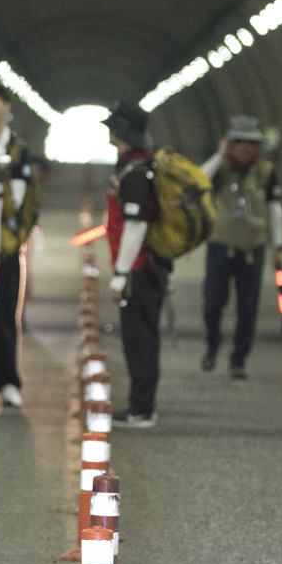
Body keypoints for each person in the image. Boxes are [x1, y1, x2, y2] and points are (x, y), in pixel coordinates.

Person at [199, 116, 282, 379]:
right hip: (221, 245)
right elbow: (198, 180)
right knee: (213, 302)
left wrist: (278, 245)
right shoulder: (221, 169)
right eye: (238, 143)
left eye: (251, 144)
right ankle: (213, 342)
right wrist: (218, 155)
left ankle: (238, 358)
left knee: (248, 307)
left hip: (252, 248)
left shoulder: (266, 172)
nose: (245, 149)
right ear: (229, 145)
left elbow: (275, 209)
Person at [0, 81, 41, 408]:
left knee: (3, 315)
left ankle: (8, 382)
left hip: (5, 247)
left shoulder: (18, 149)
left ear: (7, 107)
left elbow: (18, 199)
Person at [105, 100, 166, 427]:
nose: (109, 135)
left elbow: (136, 224)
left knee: (139, 337)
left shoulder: (136, 173)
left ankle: (142, 408)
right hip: (143, 268)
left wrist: (121, 273)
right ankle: (141, 404)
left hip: (141, 270)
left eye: (113, 129)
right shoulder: (138, 165)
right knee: (141, 335)